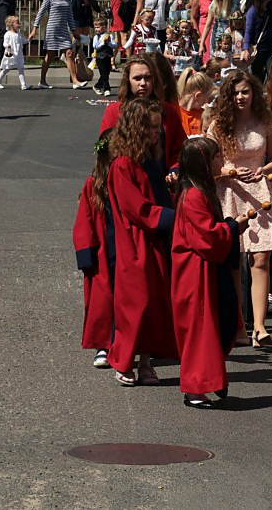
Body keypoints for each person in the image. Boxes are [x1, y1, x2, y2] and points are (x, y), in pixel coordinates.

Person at [171, 137, 249, 408]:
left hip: (203, 270)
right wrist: (232, 227)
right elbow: (206, 237)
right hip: (195, 274)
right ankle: (195, 389)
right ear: (203, 163)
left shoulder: (199, 191)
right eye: (216, 157)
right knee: (200, 331)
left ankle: (211, 382)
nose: (220, 162)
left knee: (212, 327)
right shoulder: (193, 196)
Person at [107, 98, 179, 386]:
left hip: (154, 240)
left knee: (155, 302)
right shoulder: (122, 165)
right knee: (135, 303)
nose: (156, 131)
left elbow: (157, 200)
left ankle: (146, 362)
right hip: (134, 241)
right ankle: (124, 361)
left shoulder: (151, 161)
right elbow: (138, 209)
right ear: (135, 129)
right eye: (150, 127)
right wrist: (178, 217)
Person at [207, 71, 272, 346]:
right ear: (228, 96)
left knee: (260, 259)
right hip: (229, 191)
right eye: (236, 92)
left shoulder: (266, 122)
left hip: (260, 192)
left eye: (245, 92)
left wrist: (263, 169)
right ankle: (238, 324)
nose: (241, 97)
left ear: (254, 95)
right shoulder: (217, 125)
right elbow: (210, 163)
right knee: (234, 260)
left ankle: (259, 326)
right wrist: (228, 169)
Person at [73, 131, 116, 369]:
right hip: (101, 252)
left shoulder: (129, 179)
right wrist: (86, 253)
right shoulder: (93, 184)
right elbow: (84, 221)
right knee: (101, 300)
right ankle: (103, 344)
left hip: (125, 249)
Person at [99, 56, 186, 169]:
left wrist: (175, 169)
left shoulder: (168, 111)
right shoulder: (114, 111)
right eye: (137, 78)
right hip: (125, 177)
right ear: (128, 80)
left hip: (162, 181)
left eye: (148, 77)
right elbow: (105, 151)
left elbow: (180, 149)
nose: (143, 83)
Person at [28, 0, 79, 90]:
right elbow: (40, 13)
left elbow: (70, 16)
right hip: (52, 30)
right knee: (50, 56)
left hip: (63, 30)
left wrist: (74, 31)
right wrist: (34, 29)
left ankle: (75, 80)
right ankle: (42, 80)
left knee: (69, 53)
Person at [243, 0, 272, 80]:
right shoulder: (252, 12)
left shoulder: (270, 10)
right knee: (257, 75)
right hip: (257, 49)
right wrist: (246, 49)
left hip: (269, 48)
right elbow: (248, 30)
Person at [0, 15, 29, 90]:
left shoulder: (19, 34)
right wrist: (7, 45)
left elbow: (23, 41)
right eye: (17, 23)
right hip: (11, 54)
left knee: (21, 69)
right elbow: (4, 43)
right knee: (6, 69)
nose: (19, 24)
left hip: (18, 54)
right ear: (11, 25)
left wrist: (29, 39)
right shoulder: (8, 34)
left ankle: (23, 84)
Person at [90, 18, 119, 97]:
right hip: (99, 57)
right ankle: (107, 89)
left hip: (108, 56)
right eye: (95, 27)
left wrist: (108, 42)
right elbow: (95, 46)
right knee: (103, 74)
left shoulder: (109, 36)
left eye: (98, 27)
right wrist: (103, 42)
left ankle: (97, 86)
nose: (96, 29)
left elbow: (115, 45)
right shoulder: (96, 37)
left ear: (104, 27)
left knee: (106, 73)